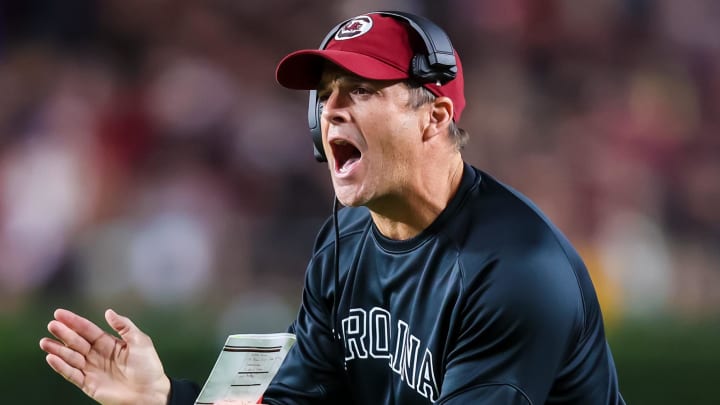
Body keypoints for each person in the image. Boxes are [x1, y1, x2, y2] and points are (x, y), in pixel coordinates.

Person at [39, 11, 625, 405]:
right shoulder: (343, 238)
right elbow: (284, 394)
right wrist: (168, 396)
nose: (330, 112)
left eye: (362, 91)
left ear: (435, 119)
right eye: (326, 95)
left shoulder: (514, 270)